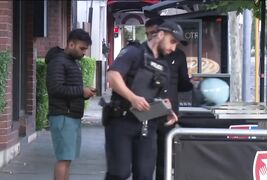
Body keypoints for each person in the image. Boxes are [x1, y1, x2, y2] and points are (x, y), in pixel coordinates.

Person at [104, 20, 186, 180]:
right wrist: (133, 98)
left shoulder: (163, 65)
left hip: (148, 125)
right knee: (119, 173)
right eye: (172, 41)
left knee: (144, 174)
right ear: (161, 35)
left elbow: (156, 96)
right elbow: (113, 76)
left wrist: (167, 111)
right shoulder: (134, 52)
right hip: (122, 121)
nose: (173, 48)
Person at [144, 18, 194, 180]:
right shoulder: (144, 54)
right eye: (172, 41)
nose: (173, 47)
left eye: (176, 43)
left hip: (169, 112)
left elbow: (183, 82)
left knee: (164, 157)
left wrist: (189, 84)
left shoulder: (178, 56)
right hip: (148, 109)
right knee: (147, 156)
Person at [45, 29, 95, 180]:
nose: (84, 52)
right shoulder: (59, 61)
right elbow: (55, 88)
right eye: (82, 48)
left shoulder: (70, 62)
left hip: (69, 115)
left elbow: (65, 88)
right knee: (64, 159)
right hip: (63, 116)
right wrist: (81, 92)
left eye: (86, 49)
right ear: (71, 44)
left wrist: (84, 94)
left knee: (67, 158)